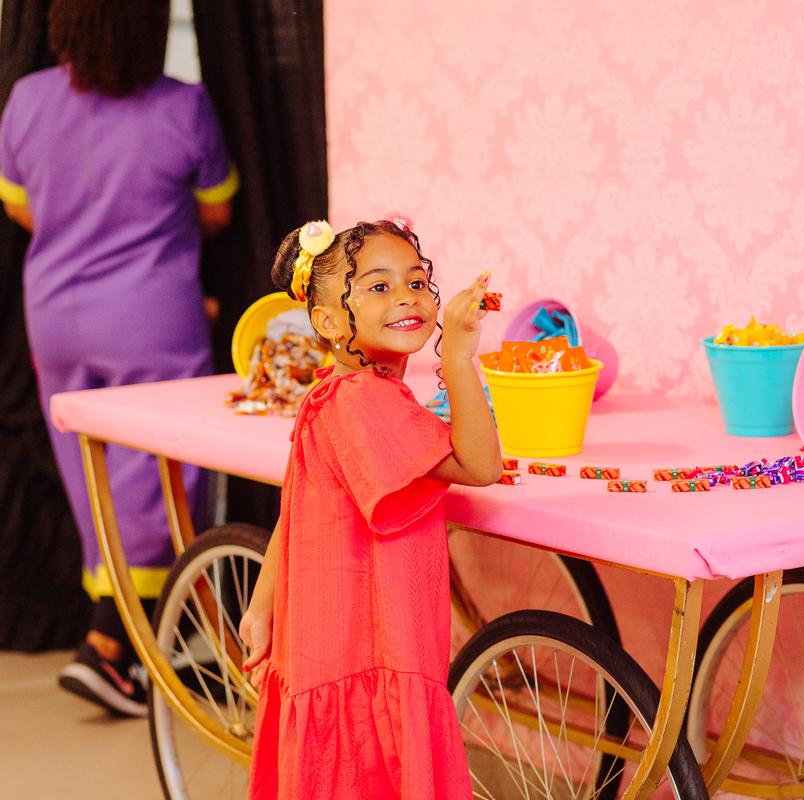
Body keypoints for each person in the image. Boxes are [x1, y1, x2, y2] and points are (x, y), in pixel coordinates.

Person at [0, 0, 236, 716]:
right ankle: (111, 644)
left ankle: (130, 636)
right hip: (149, 314)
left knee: (91, 471)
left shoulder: (28, 98)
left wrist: (79, 223)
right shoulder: (183, 106)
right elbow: (218, 209)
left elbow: (18, 205)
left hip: (54, 315)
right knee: (163, 473)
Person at [238, 217, 501, 798]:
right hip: (370, 651)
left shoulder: (330, 392)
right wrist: (459, 356)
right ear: (328, 321)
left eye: (416, 281)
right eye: (378, 287)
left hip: (325, 650)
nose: (406, 297)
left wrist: (260, 607)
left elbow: (294, 510)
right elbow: (482, 465)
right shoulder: (366, 401)